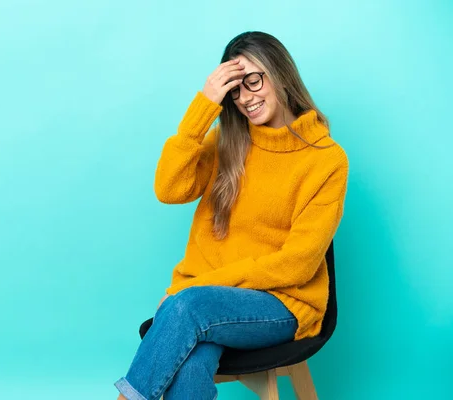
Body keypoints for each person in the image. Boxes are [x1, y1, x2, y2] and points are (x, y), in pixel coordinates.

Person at [114, 30, 349, 400]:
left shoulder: (324, 159)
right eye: (235, 90)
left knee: (189, 310)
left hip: (282, 304)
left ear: (281, 75)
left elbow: (298, 264)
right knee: (191, 358)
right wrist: (203, 106)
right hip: (206, 304)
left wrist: (190, 292)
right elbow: (169, 189)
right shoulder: (228, 141)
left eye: (254, 81)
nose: (246, 98)